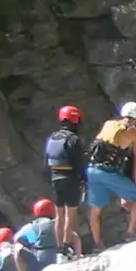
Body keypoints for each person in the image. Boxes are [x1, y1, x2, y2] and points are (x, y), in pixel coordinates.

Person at [84, 102, 136, 251]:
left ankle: (97, 244)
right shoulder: (135, 133)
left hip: (92, 170)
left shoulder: (108, 124)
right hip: (109, 172)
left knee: (95, 210)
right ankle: (130, 232)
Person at [44, 106, 85, 253]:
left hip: (55, 179)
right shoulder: (73, 139)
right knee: (70, 214)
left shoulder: (52, 138)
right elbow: (79, 163)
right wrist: (82, 180)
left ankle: (59, 248)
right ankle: (66, 248)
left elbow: (46, 161)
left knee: (59, 216)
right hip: (70, 179)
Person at [15, 199, 62, 271]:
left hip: (40, 262)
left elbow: (16, 238)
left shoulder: (32, 227)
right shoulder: (57, 223)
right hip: (59, 257)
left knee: (18, 246)